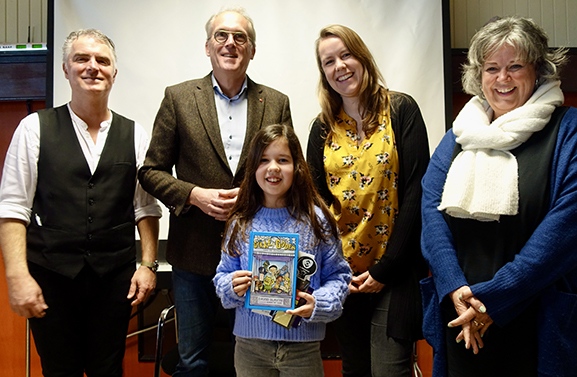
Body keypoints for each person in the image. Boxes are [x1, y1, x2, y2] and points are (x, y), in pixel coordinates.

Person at [138, 7, 292, 376]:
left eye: (240, 37)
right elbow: (150, 171)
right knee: (194, 362)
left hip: (259, 259)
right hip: (194, 257)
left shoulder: (275, 101)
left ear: (252, 50)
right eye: (221, 36)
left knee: (256, 361)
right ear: (207, 46)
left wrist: (255, 196)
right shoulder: (178, 98)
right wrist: (193, 194)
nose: (230, 43)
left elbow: (288, 170)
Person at [420, 16, 577, 377]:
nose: (502, 79)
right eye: (491, 68)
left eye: (515, 66)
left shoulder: (568, 131)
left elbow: (566, 229)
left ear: (537, 70)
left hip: (536, 317)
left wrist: (494, 298)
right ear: (478, 75)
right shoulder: (460, 134)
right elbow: (431, 209)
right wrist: (454, 286)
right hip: (462, 314)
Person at [0, 29, 162, 376]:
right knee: (60, 370)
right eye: (82, 59)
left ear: (114, 74)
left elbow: (145, 209)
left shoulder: (135, 134)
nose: (93, 67)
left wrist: (148, 266)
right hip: (51, 277)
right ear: (65, 69)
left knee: (108, 369)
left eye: (102, 61)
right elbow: (13, 210)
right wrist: (17, 277)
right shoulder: (34, 129)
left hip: (113, 280)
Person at [307, 25, 430, 376]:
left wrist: (384, 269)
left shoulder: (401, 109)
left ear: (362, 57)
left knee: (390, 369)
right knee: (355, 369)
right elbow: (315, 207)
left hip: (396, 271)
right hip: (343, 278)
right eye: (329, 61)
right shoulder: (321, 129)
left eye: (346, 55)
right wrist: (333, 270)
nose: (340, 66)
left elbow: (415, 190)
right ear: (324, 73)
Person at [213, 124, 352, 377]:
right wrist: (231, 286)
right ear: (253, 168)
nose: (273, 167)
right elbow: (222, 275)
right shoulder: (239, 222)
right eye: (264, 160)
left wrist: (319, 303)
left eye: (283, 160)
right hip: (249, 346)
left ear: (296, 167)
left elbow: (339, 276)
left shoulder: (317, 219)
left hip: (303, 347)